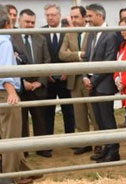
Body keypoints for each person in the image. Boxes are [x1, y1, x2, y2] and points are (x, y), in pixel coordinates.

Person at [0, 5, 37, 184]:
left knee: (6, 134)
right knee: (11, 136)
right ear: (7, 23)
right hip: (5, 93)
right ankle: (10, 179)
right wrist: (12, 91)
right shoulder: (5, 41)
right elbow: (5, 71)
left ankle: (22, 170)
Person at [59, 5, 99, 156]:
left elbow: (91, 54)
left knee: (94, 112)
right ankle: (85, 143)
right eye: (72, 17)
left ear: (84, 17)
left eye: (76, 17)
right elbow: (62, 54)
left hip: (89, 79)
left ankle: (99, 143)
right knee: (79, 112)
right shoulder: (69, 33)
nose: (73, 20)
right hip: (74, 80)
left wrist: (75, 54)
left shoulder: (93, 32)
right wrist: (79, 55)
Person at [12, 9, 52, 158]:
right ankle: (24, 150)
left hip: (38, 87)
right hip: (20, 88)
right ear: (19, 21)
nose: (30, 25)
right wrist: (22, 82)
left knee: (40, 118)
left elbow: (47, 60)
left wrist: (40, 82)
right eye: (27, 22)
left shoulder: (40, 38)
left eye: (32, 22)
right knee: (21, 120)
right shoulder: (10, 38)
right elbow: (9, 63)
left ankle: (42, 148)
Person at [83, 4, 119, 163]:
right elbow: (86, 58)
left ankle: (114, 151)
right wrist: (85, 76)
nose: (87, 19)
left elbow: (109, 60)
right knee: (99, 119)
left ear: (100, 16)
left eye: (90, 16)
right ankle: (106, 148)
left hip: (103, 84)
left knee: (107, 118)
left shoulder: (110, 34)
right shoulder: (91, 34)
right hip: (92, 83)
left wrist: (93, 80)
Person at [43, 3, 75, 141]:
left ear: (59, 15)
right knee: (48, 112)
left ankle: (71, 139)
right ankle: (48, 143)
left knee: (69, 110)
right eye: (48, 15)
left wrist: (67, 71)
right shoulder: (41, 32)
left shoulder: (69, 32)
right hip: (48, 80)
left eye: (53, 15)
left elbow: (73, 52)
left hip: (65, 78)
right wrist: (45, 73)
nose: (50, 18)